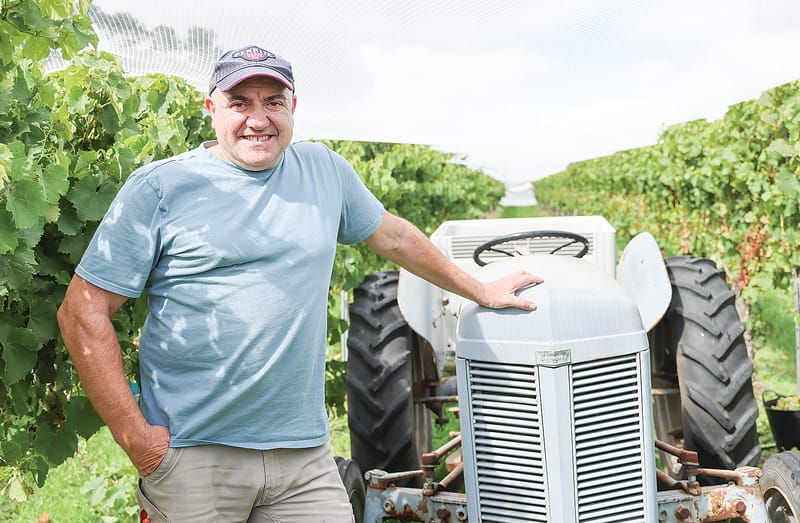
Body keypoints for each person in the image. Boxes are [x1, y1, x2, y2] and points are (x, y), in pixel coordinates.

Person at [57, 44, 542, 522]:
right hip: (196, 456)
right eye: (239, 103)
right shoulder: (160, 188)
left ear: (293, 107)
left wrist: (478, 289)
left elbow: (394, 236)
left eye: (273, 102)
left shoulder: (324, 170)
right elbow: (82, 311)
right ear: (211, 109)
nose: (258, 118)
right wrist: (135, 438)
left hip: (303, 458)